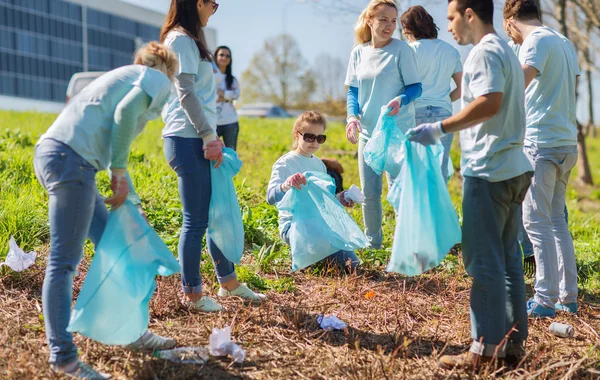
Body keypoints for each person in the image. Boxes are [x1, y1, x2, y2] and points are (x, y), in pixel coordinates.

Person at [34, 42, 179, 379]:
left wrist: (130, 199)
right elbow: (125, 115)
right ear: (167, 70)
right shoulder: (155, 80)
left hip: (59, 157)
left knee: (117, 246)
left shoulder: (123, 75)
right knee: (63, 263)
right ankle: (64, 358)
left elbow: (109, 133)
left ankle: (131, 332)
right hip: (72, 162)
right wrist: (118, 170)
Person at [408, 0, 533, 369]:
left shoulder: (484, 52)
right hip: (513, 168)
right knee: (508, 259)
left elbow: (490, 102)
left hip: (489, 171)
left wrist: (439, 128)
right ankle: (511, 345)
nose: (448, 27)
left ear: (469, 15)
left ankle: (483, 350)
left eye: (450, 18)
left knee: (483, 262)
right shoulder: (508, 51)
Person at [160, 0, 265, 313]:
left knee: (215, 211)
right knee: (195, 221)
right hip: (188, 138)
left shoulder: (190, 40)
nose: (216, 9)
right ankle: (191, 294)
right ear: (197, 3)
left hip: (197, 136)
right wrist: (208, 135)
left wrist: (211, 135)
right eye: (213, 3)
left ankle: (228, 282)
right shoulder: (179, 39)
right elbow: (186, 93)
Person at [503, 0, 580, 318]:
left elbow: (515, 87)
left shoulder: (534, 41)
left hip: (540, 144)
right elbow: (571, 87)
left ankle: (545, 299)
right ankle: (568, 297)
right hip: (566, 144)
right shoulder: (563, 42)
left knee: (535, 223)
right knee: (556, 221)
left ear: (510, 21)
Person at [344, 0, 422, 249]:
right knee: (370, 194)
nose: (389, 26)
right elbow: (353, 92)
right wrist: (351, 117)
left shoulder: (402, 50)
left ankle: (404, 247)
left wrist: (401, 99)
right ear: (370, 20)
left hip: (396, 131)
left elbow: (415, 87)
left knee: (399, 194)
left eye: (393, 20)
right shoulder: (359, 52)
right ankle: (373, 245)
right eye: (383, 19)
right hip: (368, 133)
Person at [267, 111, 359, 271]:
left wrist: (340, 198)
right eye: (309, 137)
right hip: (293, 225)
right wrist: (287, 184)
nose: (315, 142)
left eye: (320, 138)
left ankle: (312, 253)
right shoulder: (285, 164)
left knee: (352, 266)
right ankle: (303, 251)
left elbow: (323, 201)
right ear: (297, 134)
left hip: (318, 223)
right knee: (338, 263)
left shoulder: (319, 165)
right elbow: (270, 197)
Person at [400, 5, 463, 182]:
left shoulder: (408, 51)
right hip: (443, 115)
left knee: (414, 170)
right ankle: (437, 209)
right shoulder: (451, 51)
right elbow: (462, 87)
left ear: (408, 29)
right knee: (439, 171)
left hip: (414, 112)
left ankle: (415, 209)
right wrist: (445, 100)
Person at [214, 45, 241, 150]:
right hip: (212, 123)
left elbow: (236, 95)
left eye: (227, 56)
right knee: (210, 153)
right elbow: (209, 95)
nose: (224, 58)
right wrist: (227, 96)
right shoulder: (209, 77)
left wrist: (220, 93)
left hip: (230, 121)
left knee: (230, 153)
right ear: (216, 57)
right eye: (221, 55)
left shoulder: (232, 79)